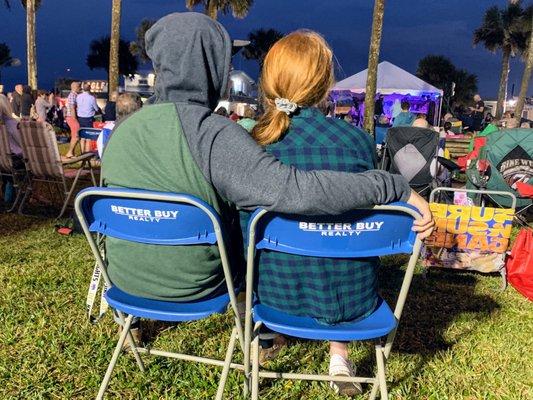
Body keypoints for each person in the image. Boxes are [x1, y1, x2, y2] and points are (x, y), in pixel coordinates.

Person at [101, 11, 433, 352]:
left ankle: (132, 324)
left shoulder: (121, 131)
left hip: (124, 283)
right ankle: (277, 336)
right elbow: (295, 191)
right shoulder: (212, 134)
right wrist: (391, 186)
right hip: (195, 285)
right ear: (209, 64)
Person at [245, 29, 401, 396]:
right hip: (352, 298)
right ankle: (338, 355)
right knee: (339, 244)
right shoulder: (357, 142)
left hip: (272, 295)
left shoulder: (252, 141)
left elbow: (243, 229)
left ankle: (267, 337)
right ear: (324, 83)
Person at [65, 81, 80, 158]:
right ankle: (70, 152)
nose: (80, 88)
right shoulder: (72, 95)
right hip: (72, 117)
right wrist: (75, 119)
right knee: (76, 136)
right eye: (79, 87)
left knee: (74, 135)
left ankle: (71, 153)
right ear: (75, 87)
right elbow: (72, 108)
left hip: (70, 117)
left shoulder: (74, 95)